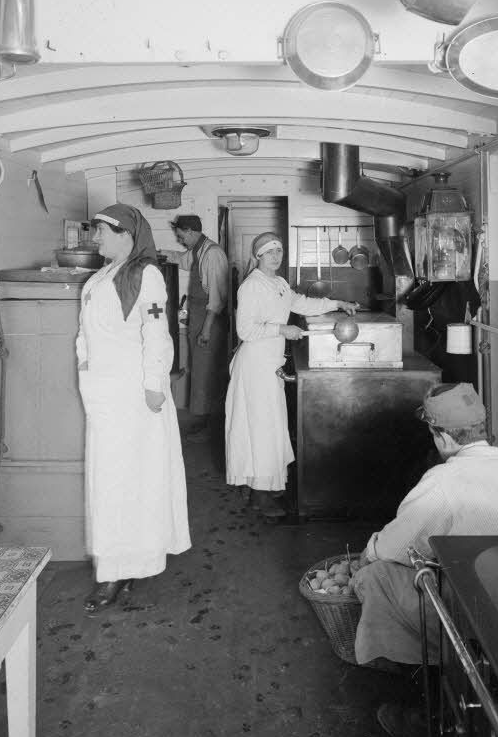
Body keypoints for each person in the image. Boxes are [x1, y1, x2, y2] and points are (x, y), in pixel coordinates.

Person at [348, 382, 498, 737]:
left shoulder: (443, 480)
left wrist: (365, 555)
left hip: (481, 619)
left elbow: (391, 546)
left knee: (376, 576)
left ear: (443, 437)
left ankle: (429, 701)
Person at [77, 203, 191, 612]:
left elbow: (157, 333)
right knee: (107, 480)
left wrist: (154, 385)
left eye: (102, 233)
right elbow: (84, 335)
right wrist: (88, 367)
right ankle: (115, 564)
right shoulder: (98, 278)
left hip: (135, 395)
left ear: (127, 234)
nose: (95, 239)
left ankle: (121, 568)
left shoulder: (146, 275)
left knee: (130, 479)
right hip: (103, 395)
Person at [225, 231, 358, 522]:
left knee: (267, 427)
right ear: (258, 255)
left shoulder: (279, 283)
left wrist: (337, 303)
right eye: (270, 251)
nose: (276, 256)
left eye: (279, 251)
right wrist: (282, 329)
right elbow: (245, 330)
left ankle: (260, 485)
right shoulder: (251, 286)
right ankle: (260, 495)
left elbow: (302, 304)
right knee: (261, 429)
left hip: (269, 363)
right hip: (255, 365)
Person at [158, 214, 230, 435]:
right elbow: (182, 259)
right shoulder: (199, 250)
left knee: (206, 371)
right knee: (199, 370)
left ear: (190, 231)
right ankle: (203, 420)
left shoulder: (213, 253)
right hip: (199, 316)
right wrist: (159, 254)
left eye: (181, 236)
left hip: (209, 319)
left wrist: (206, 330)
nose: (180, 241)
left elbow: (217, 299)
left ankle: (208, 425)